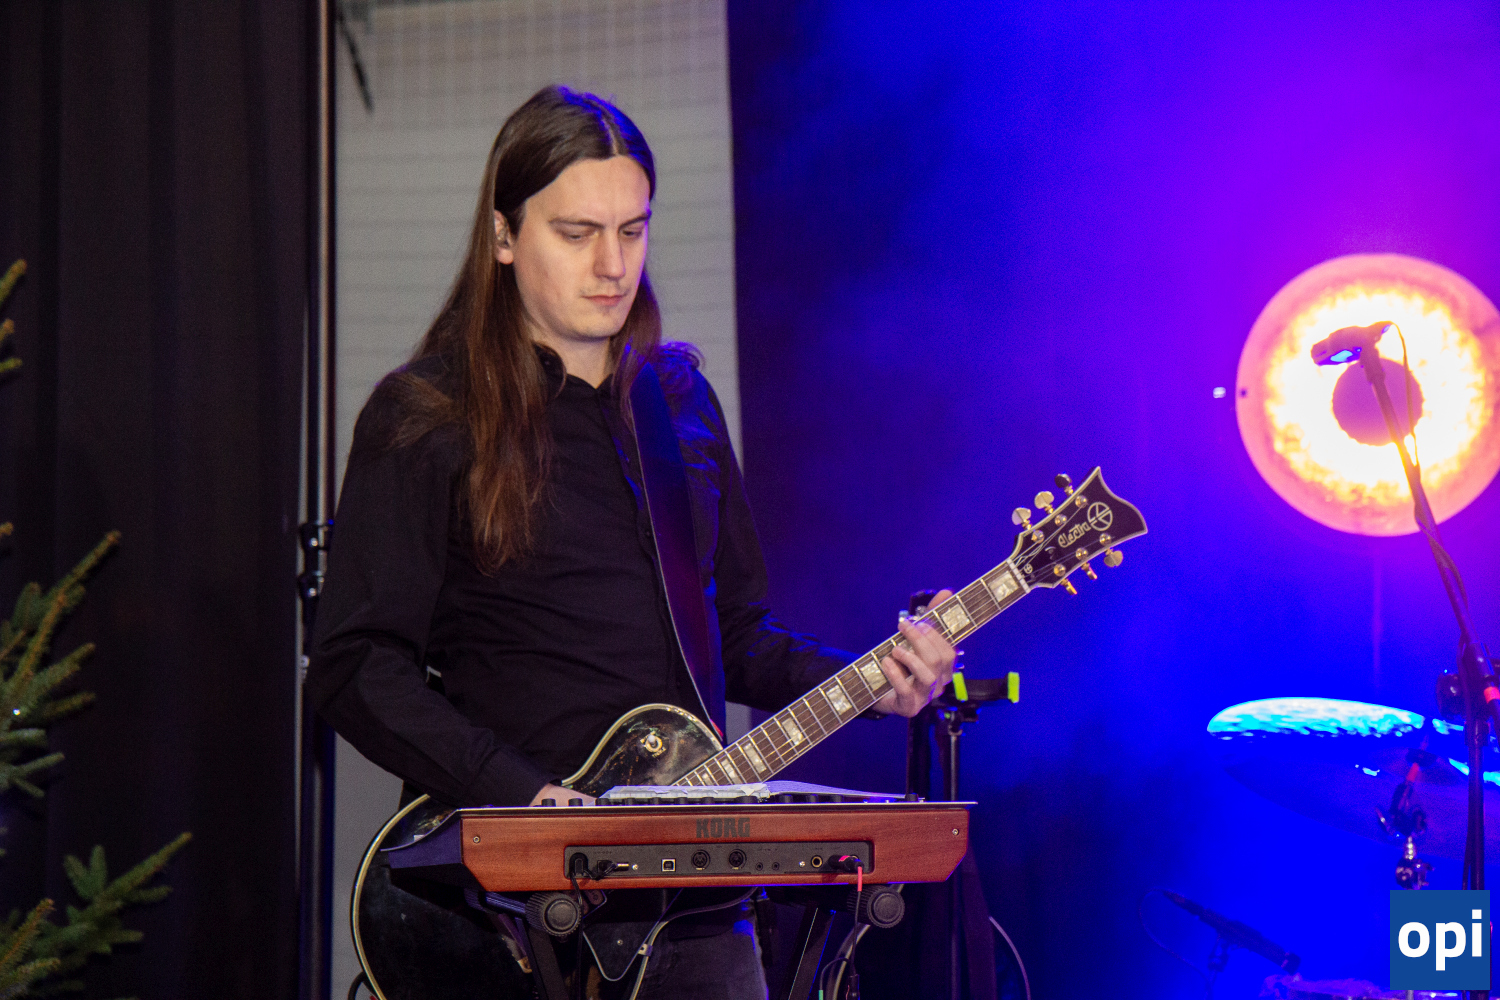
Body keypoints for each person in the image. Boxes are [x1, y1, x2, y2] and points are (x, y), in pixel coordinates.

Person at [306, 85, 955, 1000]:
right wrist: (519, 791)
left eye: (633, 230)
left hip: (697, 909)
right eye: (576, 234)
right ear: (503, 236)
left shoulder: (680, 403)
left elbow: (735, 637)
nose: (612, 265)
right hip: (511, 911)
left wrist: (877, 679)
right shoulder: (427, 415)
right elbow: (356, 664)